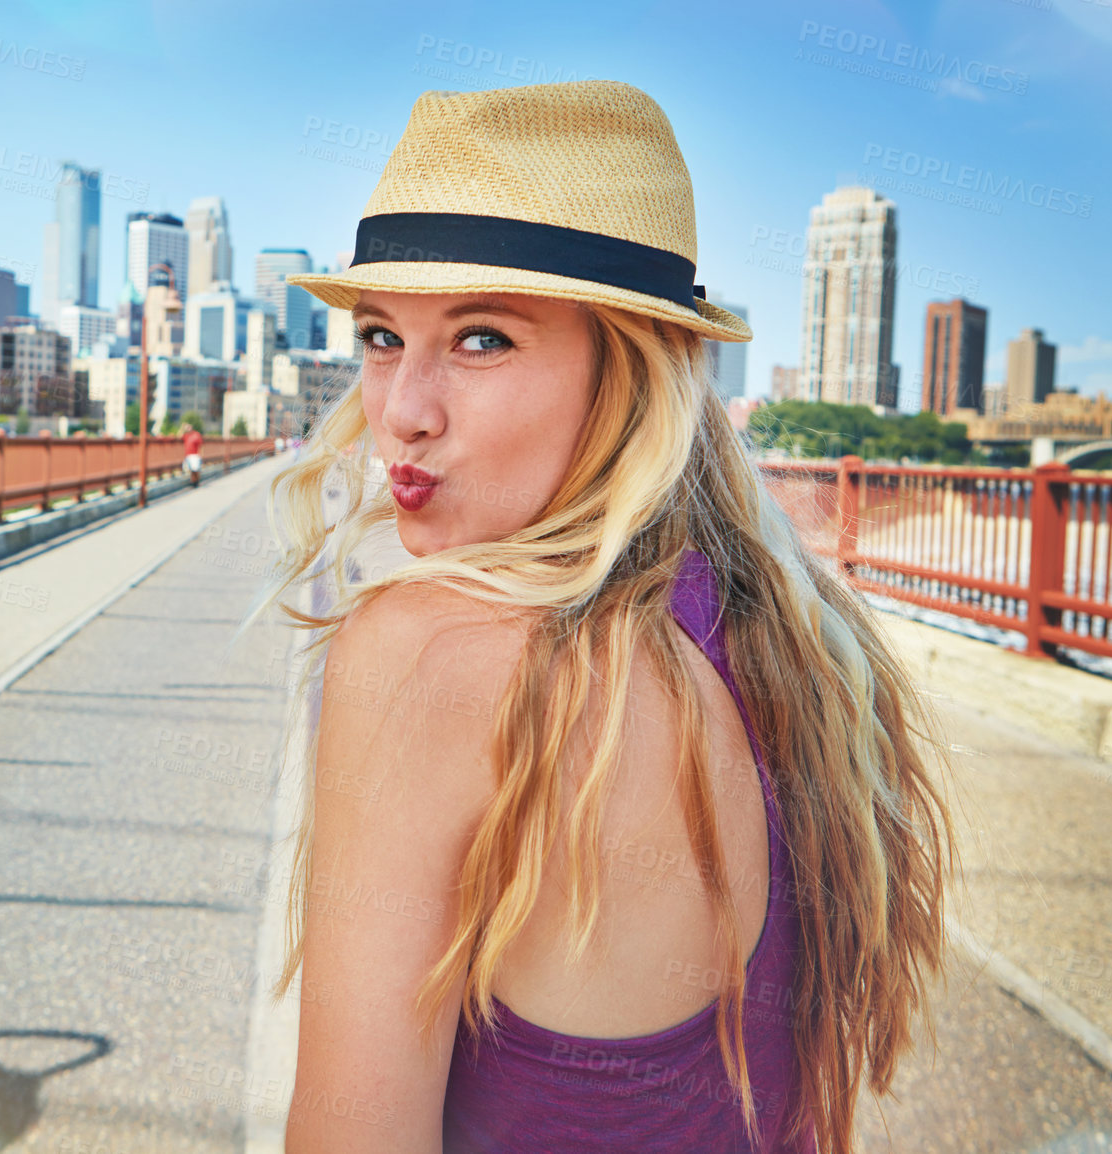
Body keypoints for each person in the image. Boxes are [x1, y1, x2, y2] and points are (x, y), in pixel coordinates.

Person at [254, 82, 955, 1154]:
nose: (403, 408)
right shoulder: (788, 638)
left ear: (628, 369)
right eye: (384, 335)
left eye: (483, 339)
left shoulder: (431, 651)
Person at [182, 421, 204, 487]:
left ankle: (196, 482)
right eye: (187, 427)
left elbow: (201, 445)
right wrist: (182, 428)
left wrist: (201, 454)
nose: (188, 428)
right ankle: (193, 482)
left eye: (189, 427)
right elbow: (178, 436)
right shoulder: (186, 435)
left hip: (195, 454)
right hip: (188, 455)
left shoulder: (196, 434)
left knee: (196, 469)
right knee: (191, 469)